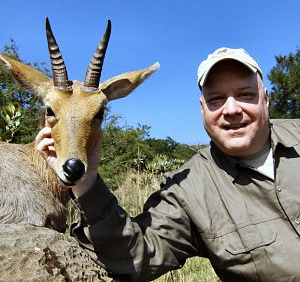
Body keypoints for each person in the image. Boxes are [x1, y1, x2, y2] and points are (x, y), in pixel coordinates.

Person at [36, 47, 300, 282]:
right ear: (202, 109)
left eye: (244, 94)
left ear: (265, 98)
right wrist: (86, 180)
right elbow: (139, 258)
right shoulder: (187, 189)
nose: (231, 109)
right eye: (216, 99)